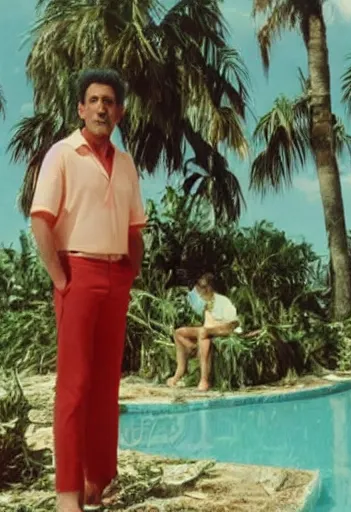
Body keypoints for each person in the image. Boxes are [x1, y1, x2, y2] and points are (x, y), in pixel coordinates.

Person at [29, 68, 147, 512]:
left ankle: (98, 482)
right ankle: (67, 495)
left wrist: (129, 273)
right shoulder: (62, 154)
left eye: (110, 101)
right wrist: (61, 279)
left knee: (105, 387)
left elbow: (136, 227)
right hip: (76, 272)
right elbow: (41, 219)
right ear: (81, 108)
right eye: (94, 100)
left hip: (116, 277)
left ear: (119, 111)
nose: (102, 108)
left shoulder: (127, 163)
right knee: (74, 388)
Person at [166, 273, 240, 392]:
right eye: (199, 287)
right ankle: (181, 370)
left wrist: (215, 328)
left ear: (210, 287)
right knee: (179, 333)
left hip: (224, 328)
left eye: (203, 287)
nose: (201, 290)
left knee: (203, 333)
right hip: (207, 329)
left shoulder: (222, 301)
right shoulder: (204, 302)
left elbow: (234, 323)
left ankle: (204, 380)